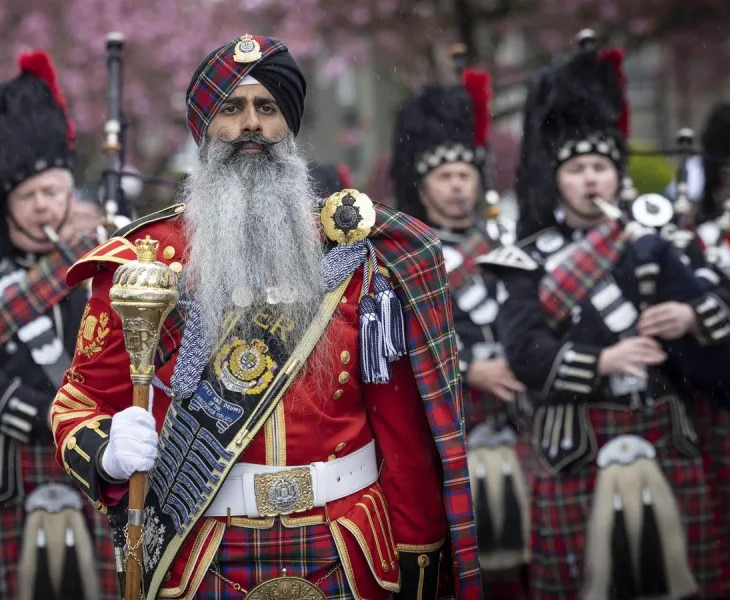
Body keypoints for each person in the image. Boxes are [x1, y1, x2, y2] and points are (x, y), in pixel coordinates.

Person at [52, 33, 482, 600]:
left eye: (267, 107)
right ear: (205, 129)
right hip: (200, 553)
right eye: (231, 108)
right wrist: (106, 451)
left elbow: (402, 431)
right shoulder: (144, 259)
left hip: (348, 550)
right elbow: (79, 403)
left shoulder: (356, 252)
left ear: (289, 126)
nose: (250, 124)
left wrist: (419, 551)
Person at [479, 31, 730, 600]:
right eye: (577, 169)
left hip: (667, 432)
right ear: (556, 180)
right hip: (577, 442)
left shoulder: (661, 242)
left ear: (618, 173)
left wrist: (692, 320)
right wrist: (603, 358)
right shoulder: (527, 260)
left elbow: (721, 307)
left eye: (601, 165)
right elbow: (525, 353)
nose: (591, 178)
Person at [0, 51, 118, 599]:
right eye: (29, 196)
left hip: (96, 465)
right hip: (7, 472)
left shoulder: (107, 259)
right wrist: (53, 417)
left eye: (53, 192)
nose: (44, 208)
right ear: (4, 204)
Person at [391, 71, 531, 599]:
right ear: (422, 184)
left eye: (464, 174)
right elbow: (399, 344)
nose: (456, 186)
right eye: (444, 175)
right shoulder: (406, 258)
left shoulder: (503, 248)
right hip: (450, 431)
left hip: (513, 429)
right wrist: (470, 368)